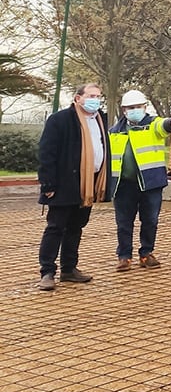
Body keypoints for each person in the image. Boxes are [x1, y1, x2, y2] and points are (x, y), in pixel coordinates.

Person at [36, 83, 112, 291]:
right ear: (77, 98)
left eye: (98, 96)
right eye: (91, 95)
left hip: (89, 184)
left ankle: (69, 269)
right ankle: (47, 272)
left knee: (76, 227)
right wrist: (48, 183)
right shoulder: (60, 120)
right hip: (63, 184)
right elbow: (47, 153)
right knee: (55, 227)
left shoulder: (99, 119)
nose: (95, 99)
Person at [109, 89, 171, 271]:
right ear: (124, 110)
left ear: (145, 107)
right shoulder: (114, 132)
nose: (134, 110)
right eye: (130, 108)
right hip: (123, 185)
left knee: (150, 220)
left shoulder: (152, 124)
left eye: (138, 107)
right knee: (124, 223)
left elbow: (163, 126)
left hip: (150, 183)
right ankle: (124, 257)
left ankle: (146, 253)